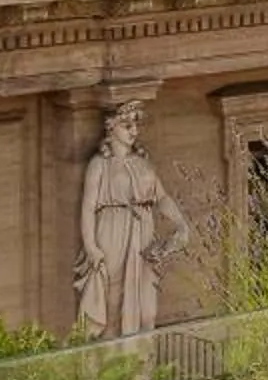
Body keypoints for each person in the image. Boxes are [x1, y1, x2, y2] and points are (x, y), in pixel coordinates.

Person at [74, 104, 189, 338]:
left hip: (143, 234)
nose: (134, 131)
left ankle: (141, 356)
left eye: (135, 125)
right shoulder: (100, 164)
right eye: (127, 126)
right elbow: (87, 208)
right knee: (113, 302)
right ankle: (111, 358)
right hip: (113, 233)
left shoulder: (143, 162)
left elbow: (162, 197)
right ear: (111, 128)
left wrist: (180, 223)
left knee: (147, 307)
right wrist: (91, 247)